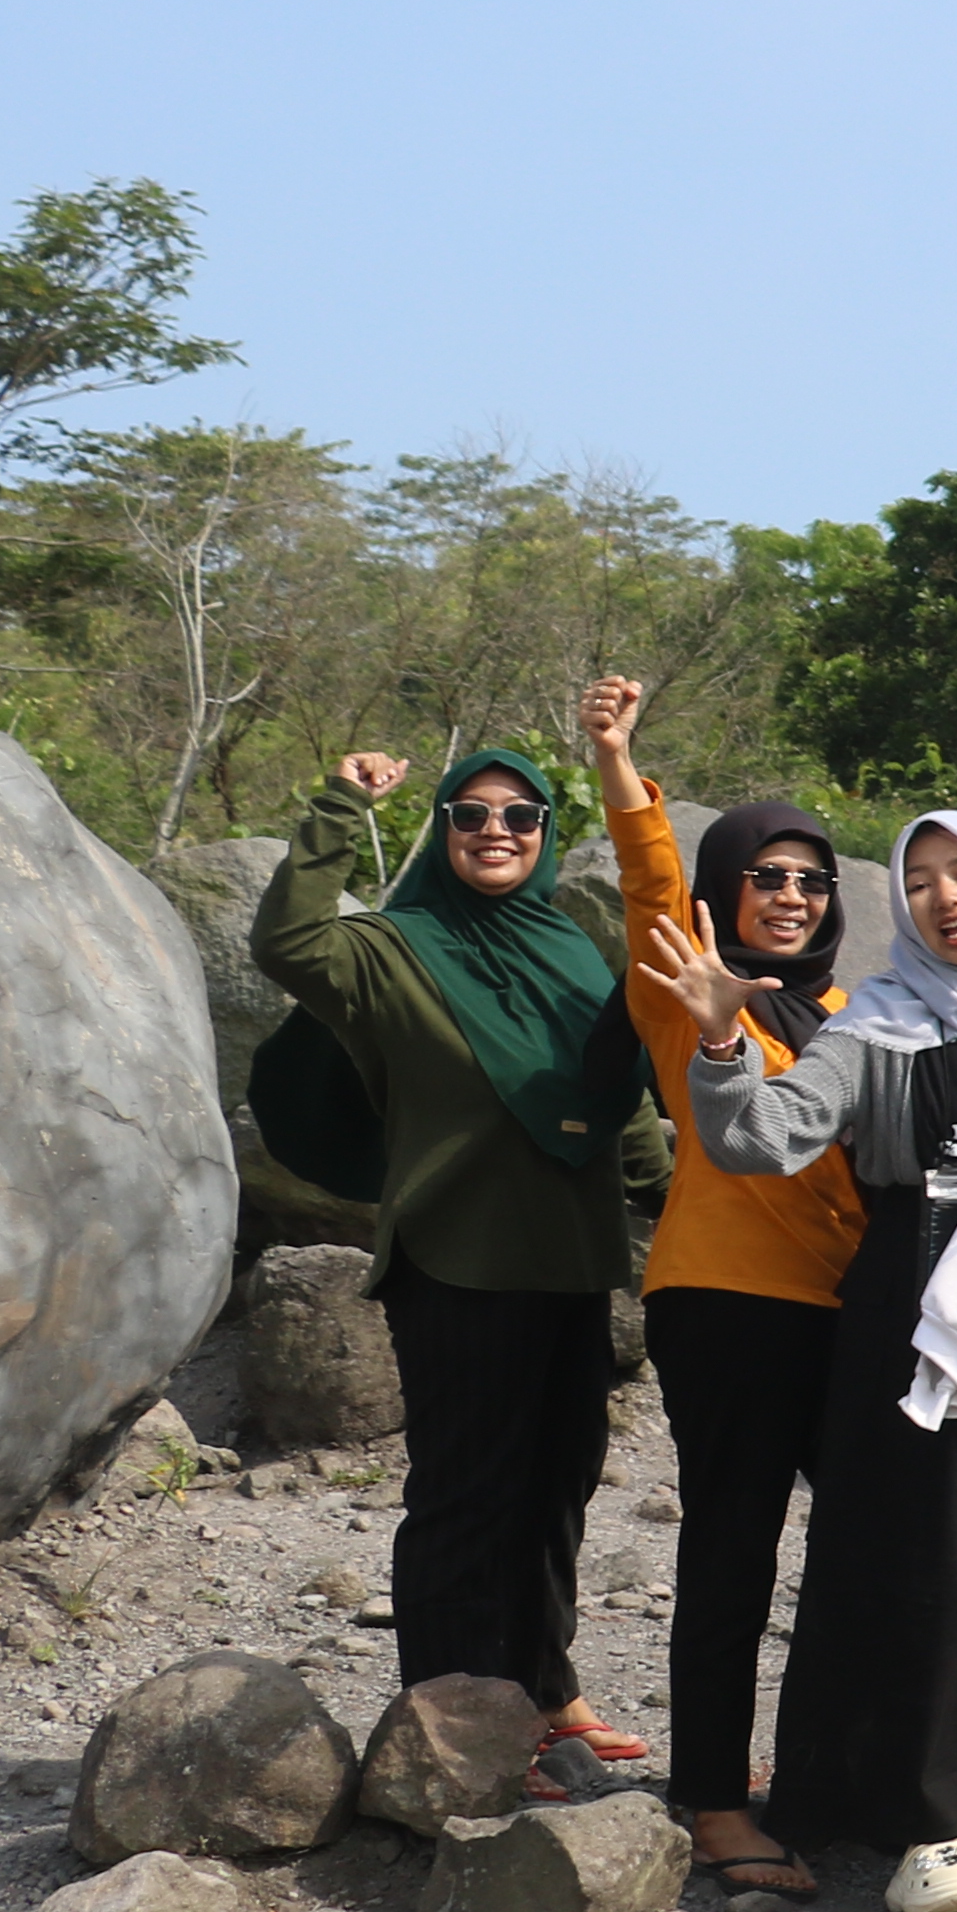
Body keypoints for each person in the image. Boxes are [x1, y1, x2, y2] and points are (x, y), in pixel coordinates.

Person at [663, 809, 957, 1912]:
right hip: (908, 1321)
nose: (944, 896)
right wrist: (723, 1043)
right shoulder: (873, 1026)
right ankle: (932, 1822)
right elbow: (757, 1138)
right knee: (919, 1559)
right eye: (919, 880)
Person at [261, 745, 659, 1790]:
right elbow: (288, 940)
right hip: (456, 1258)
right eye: (472, 814)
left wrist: (684, 1192)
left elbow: (623, 1094)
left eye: (521, 816)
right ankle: (450, 1726)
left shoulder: (571, 948)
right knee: (466, 1496)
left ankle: (545, 1690)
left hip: (570, 1260)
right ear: (442, 828)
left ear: (542, 836)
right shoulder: (395, 947)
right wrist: (340, 802)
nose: (497, 830)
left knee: (558, 1484)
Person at [577, 677, 850, 1902]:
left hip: (849, 1311)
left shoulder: (850, 1011)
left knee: (860, 1552)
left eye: (809, 878)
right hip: (730, 1302)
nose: (789, 896)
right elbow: (649, 894)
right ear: (726, 888)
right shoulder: (688, 986)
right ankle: (712, 1798)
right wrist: (623, 769)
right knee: (735, 1549)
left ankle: (832, 1773)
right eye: (767, 875)